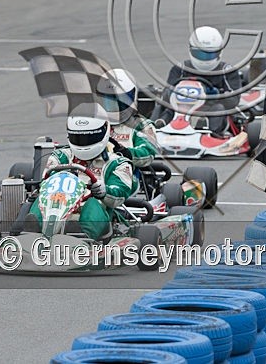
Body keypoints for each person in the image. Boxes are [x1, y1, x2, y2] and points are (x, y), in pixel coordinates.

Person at [29, 103, 136, 241]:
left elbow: (121, 192)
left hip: (96, 212)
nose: (84, 143)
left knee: (93, 203)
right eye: (79, 138)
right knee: (41, 199)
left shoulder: (117, 163)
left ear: (104, 131)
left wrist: (105, 191)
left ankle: (82, 238)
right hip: (57, 205)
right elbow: (47, 181)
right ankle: (31, 233)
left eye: (89, 138)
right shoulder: (60, 156)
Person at [154, 26, 243, 136]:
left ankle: (212, 134)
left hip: (209, 109)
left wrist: (215, 96)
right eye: (200, 54)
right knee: (162, 105)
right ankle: (156, 127)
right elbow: (166, 95)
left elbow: (234, 100)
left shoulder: (227, 71)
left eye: (209, 54)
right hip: (180, 110)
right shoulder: (180, 69)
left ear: (219, 52)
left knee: (218, 109)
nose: (204, 59)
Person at [95, 68, 159, 167]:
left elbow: (148, 151)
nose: (115, 106)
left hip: (125, 174)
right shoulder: (93, 123)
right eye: (109, 101)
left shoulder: (141, 125)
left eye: (121, 100)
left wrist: (126, 153)